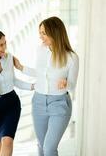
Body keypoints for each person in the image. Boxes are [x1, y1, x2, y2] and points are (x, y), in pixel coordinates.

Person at [13, 16, 79, 156]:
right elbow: (40, 73)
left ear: (54, 32)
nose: (40, 37)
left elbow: (72, 86)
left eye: (43, 33)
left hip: (59, 104)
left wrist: (66, 83)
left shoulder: (72, 57)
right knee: (42, 147)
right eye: (40, 33)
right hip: (39, 102)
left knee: (49, 148)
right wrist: (21, 67)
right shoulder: (41, 50)